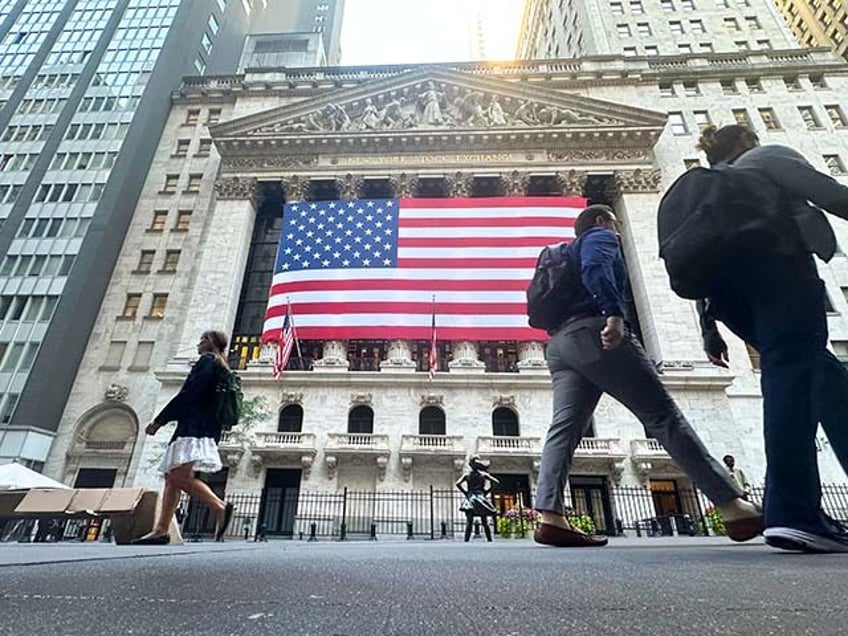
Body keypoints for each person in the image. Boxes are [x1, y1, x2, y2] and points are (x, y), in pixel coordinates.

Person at [534, 204, 762, 547]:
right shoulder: (598, 237)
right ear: (600, 221)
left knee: (563, 431)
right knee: (662, 415)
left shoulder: (559, 254)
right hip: (595, 334)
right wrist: (613, 314)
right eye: (615, 224)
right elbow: (597, 267)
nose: (619, 231)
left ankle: (550, 517)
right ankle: (732, 506)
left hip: (559, 346)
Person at [695, 124, 848, 552]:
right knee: (790, 382)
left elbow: (703, 254)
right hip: (780, 276)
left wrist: (708, 326)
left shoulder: (711, 185)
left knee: (829, 383)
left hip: (731, 300)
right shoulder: (766, 158)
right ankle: (794, 514)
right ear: (747, 142)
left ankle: (794, 512)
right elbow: (831, 194)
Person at [132, 330, 235, 545]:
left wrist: (159, 421)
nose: (198, 343)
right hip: (200, 426)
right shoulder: (219, 364)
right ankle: (161, 529)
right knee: (172, 477)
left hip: (194, 427)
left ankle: (219, 507)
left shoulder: (207, 361)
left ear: (210, 342)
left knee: (178, 477)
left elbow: (188, 395)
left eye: (202, 339)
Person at [456, 455, 499, 542]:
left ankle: (466, 540)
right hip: (481, 498)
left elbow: (458, 484)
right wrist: (487, 491)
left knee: (469, 522)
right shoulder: (483, 474)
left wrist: (466, 492)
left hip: (471, 498)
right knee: (484, 522)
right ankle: (489, 539)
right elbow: (496, 482)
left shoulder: (467, 475)